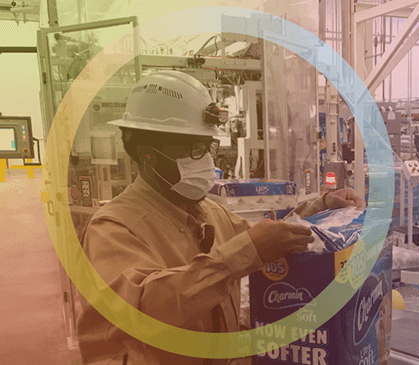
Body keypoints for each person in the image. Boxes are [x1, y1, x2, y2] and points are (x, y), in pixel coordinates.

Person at [76, 70, 363, 365]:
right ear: (148, 154)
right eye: (194, 149)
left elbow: (271, 238)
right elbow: (146, 311)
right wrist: (241, 254)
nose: (206, 161)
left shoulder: (207, 212)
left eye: (208, 147)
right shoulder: (112, 228)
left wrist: (322, 206)